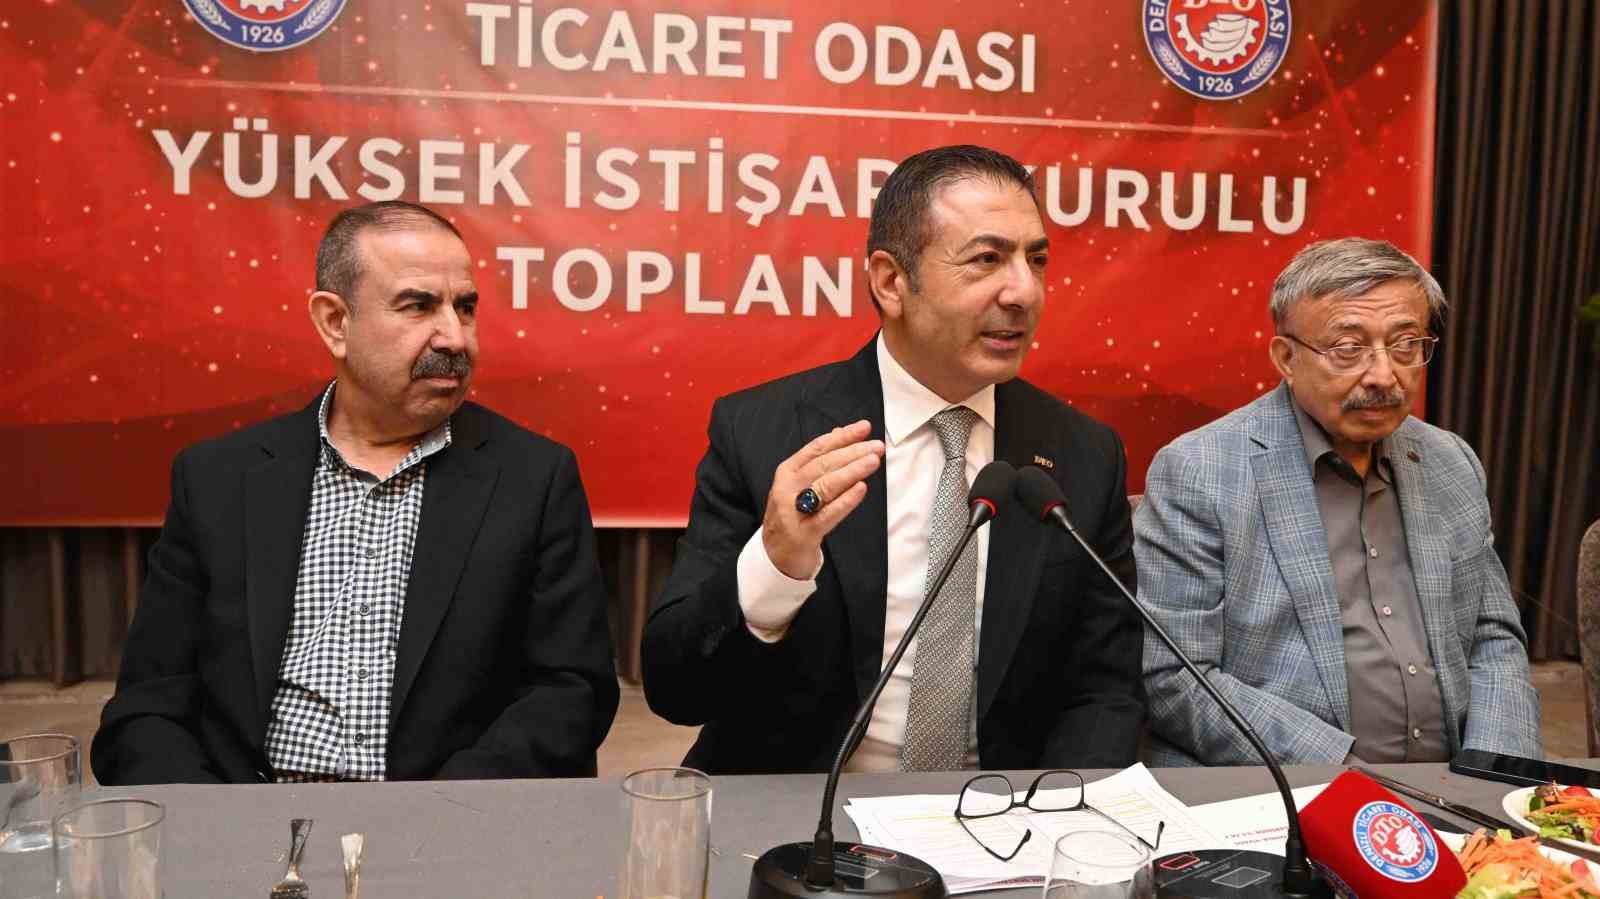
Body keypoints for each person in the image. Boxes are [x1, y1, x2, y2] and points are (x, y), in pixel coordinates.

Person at [641, 145, 1145, 775]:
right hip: (806, 809)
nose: (1024, 292)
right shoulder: (766, 434)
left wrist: (1052, 812)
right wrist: (774, 564)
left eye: (1036, 260)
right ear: (890, 282)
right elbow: (676, 689)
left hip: (1003, 811)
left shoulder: (1083, 455)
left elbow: (1104, 690)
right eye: (987, 259)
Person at [92, 201, 619, 783]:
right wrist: (221, 822)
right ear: (335, 322)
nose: (456, 338)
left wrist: (437, 816)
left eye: (465, 308)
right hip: (248, 811)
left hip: (444, 816)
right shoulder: (218, 479)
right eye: (418, 306)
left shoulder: (533, 479)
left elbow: (570, 694)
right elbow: (149, 704)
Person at [1136, 237, 1542, 766]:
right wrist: (1349, 778)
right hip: (1290, 784)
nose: (1383, 375)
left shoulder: (1449, 460)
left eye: (1406, 345)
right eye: (1348, 349)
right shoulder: (1202, 471)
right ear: (1286, 358)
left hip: (1455, 783)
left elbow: (1492, 636)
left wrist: (1496, 772)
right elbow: (1175, 676)